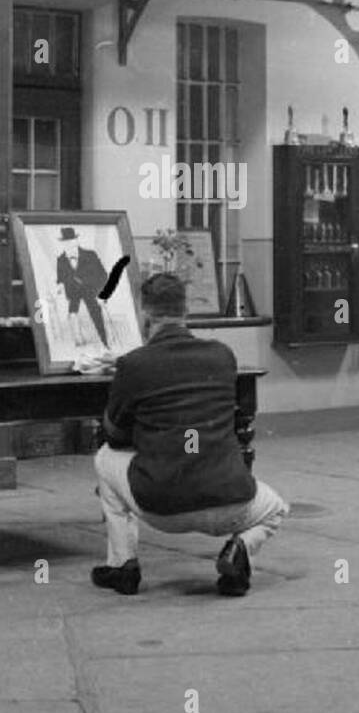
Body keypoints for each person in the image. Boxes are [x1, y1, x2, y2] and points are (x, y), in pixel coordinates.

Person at [92, 273, 288, 597]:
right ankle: (239, 549)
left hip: (162, 509)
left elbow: (114, 433)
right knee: (277, 508)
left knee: (104, 459)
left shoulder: (133, 365)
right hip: (231, 501)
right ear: (187, 312)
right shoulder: (223, 356)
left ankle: (122, 565)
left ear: (144, 316)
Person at [54, 226, 110, 348]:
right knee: (72, 314)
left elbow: (103, 275)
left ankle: (104, 341)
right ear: (63, 244)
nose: (69, 245)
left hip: (90, 291)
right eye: (66, 242)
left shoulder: (90, 255)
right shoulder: (61, 260)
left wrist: (101, 293)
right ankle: (79, 341)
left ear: (76, 241)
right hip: (73, 294)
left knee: (96, 313)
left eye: (71, 241)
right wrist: (59, 285)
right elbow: (60, 278)